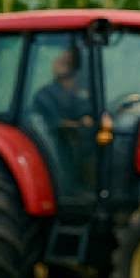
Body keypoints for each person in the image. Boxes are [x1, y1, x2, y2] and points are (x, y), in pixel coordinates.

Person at [30, 46, 96, 193]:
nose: (60, 62)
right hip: (59, 150)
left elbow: (87, 113)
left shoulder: (83, 94)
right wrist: (80, 125)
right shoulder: (45, 95)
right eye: (62, 60)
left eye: (67, 61)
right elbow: (57, 124)